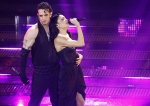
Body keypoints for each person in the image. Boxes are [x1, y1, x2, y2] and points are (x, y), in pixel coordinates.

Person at [19, 2, 83, 106]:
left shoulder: (56, 28)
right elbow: (24, 53)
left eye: (45, 15)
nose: (43, 18)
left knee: (58, 102)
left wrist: (79, 55)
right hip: (40, 73)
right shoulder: (33, 31)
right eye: (40, 15)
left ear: (50, 14)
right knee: (34, 102)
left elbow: (68, 45)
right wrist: (22, 73)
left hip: (56, 70)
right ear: (37, 15)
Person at [50, 13, 86, 106]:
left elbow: (69, 51)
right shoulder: (58, 39)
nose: (66, 19)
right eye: (62, 19)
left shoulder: (67, 35)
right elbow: (81, 43)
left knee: (80, 99)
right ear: (57, 25)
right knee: (67, 101)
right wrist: (78, 25)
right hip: (67, 73)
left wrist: (79, 55)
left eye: (65, 18)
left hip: (76, 70)